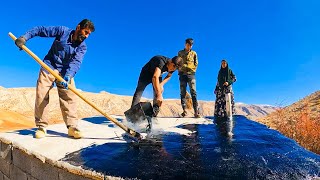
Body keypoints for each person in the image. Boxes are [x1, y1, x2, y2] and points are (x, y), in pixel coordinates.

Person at [14, 19, 95, 139]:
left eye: (89, 34)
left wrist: (68, 76)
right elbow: (40, 30)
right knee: (41, 95)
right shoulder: (62, 31)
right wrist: (24, 38)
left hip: (65, 73)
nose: (86, 36)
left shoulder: (82, 47)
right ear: (78, 27)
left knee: (70, 97)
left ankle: (72, 127)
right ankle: (41, 127)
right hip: (49, 66)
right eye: (86, 32)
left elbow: (76, 62)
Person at [178, 38, 200, 118]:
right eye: (188, 44)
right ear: (185, 44)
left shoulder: (194, 53)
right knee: (182, 92)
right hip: (182, 74)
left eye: (191, 45)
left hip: (191, 75)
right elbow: (178, 63)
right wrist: (183, 68)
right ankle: (184, 111)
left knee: (193, 92)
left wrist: (187, 67)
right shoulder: (180, 53)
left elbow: (196, 64)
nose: (189, 46)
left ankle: (196, 112)